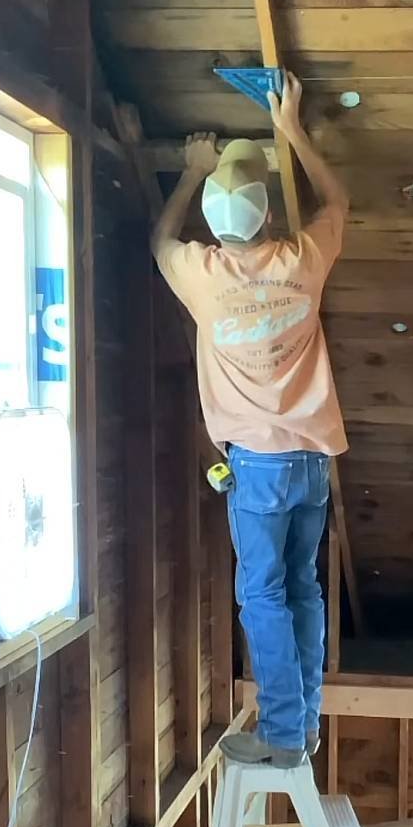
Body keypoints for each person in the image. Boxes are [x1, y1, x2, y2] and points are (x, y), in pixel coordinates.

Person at [152, 72, 348, 767]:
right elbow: (336, 200)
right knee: (304, 590)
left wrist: (190, 172)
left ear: (214, 228)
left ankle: (286, 736)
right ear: (269, 219)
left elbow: (159, 239)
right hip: (312, 460)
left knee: (263, 595)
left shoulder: (200, 274)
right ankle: (305, 722)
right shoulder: (302, 258)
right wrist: (292, 130)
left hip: (258, 470)